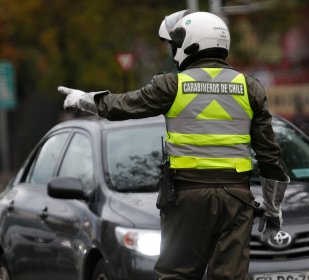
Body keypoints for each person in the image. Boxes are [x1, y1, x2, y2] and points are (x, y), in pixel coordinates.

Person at [59, 10, 289, 280]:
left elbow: (122, 106)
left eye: (175, 44)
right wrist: (273, 210)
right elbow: (270, 156)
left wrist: (83, 99)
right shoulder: (250, 88)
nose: (174, 50)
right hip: (236, 200)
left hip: (187, 197)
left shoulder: (173, 85)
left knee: (177, 275)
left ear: (192, 44)